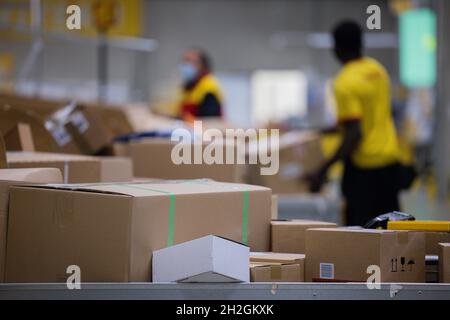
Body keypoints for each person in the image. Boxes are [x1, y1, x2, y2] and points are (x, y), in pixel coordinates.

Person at [305, 21, 402, 226]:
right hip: (390, 161)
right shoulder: (378, 71)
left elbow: (355, 134)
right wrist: (327, 130)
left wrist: (323, 170)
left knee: (362, 229)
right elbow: (369, 117)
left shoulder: (344, 82)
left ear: (337, 48)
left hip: (364, 168)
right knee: (392, 225)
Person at [178, 48, 223, 119]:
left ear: (202, 65)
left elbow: (209, 119)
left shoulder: (209, 85)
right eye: (184, 61)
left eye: (189, 61)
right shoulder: (190, 85)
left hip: (203, 128)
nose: (185, 65)